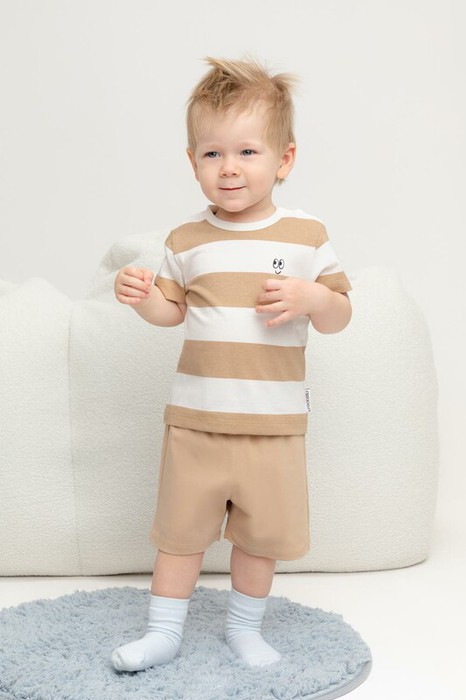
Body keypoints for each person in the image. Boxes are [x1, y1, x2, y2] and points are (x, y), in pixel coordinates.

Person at [111, 57, 352, 673]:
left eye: (247, 152)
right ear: (192, 162)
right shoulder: (186, 239)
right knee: (179, 535)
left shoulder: (305, 235)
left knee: (259, 538)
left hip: (272, 424)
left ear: (284, 160)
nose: (229, 168)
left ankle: (246, 629)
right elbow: (172, 313)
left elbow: (339, 314)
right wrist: (144, 299)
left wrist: (312, 297)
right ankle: (163, 632)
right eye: (213, 154)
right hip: (197, 420)